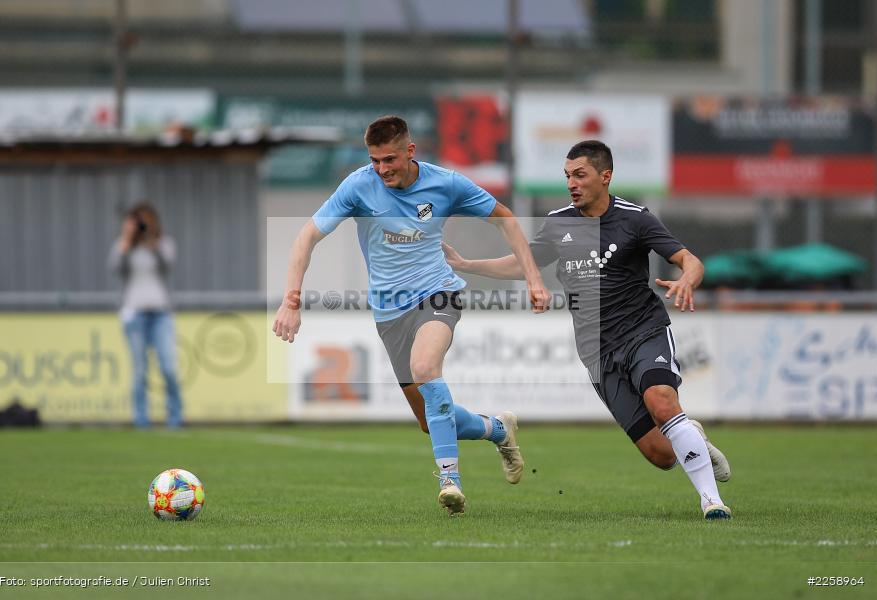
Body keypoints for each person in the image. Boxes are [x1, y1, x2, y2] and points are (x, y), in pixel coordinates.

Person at [272, 115, 549, 515]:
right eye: (375, 160)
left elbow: (504, 218)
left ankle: (449, 480)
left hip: (438, 294)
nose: (382, 169)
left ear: (410, 151)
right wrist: (291, 301)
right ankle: (498, 430)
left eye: (389, 159)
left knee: (425, 367)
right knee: (429, 419)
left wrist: (533, 278)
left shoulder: (445, 183)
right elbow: (307, 237)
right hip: (388, 312)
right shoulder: (358, 186)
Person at [443, 140, 733, 520]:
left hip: (643, 331)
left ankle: (711, 501)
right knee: (661, 456)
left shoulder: (636, 218)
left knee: (661, 399)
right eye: (567, 176)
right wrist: (466, 263)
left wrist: (687, 280)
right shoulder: (559, 222)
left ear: (605, 176)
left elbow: (689, 260)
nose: (571, 183)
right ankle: (690, 435)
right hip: (597, 352)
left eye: (580, 174)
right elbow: (522, 263)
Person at [109, 202, 183, 429]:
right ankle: (141, 420)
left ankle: (175, 418)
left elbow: (167, 264)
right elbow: (115, 268)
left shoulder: (163, 243)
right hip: (135, 313)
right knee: (140, 369)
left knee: (168, 367)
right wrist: (127, 239)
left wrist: (152, 241)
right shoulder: (125, 246)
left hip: (160, 313)